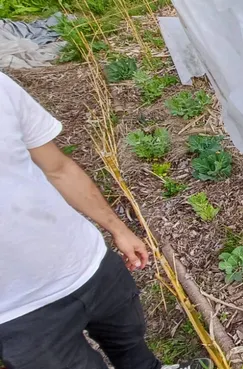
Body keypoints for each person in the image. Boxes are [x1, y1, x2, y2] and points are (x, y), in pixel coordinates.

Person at [0, 72, 211, 369]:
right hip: (16, 313)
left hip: (87, 261)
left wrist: (117, 228)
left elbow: (58, 168)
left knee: (131, 344)